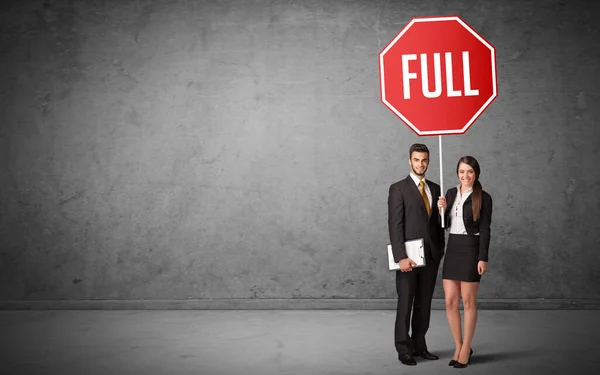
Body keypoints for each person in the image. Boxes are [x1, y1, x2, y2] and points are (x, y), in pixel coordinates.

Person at [387, 143, 445, 366]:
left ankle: (420, 346)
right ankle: (404, 348)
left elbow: (441, 225)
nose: (421, 164)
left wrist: (443, 211)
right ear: (409, 161)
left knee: (424, 303)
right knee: (406, 302)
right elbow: (395, 225)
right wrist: (400, 256)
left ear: (429, 161)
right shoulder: (398, 189)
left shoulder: (436, 189)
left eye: (424, 160)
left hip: (430, 256)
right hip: (408, 258)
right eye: (417, 160)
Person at [437, 156, 493, 369]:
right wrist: (441, 209)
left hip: (471, 249)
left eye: (470, 171)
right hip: (453, 248)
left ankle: (466, 347)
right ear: (457, 173)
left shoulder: (483, 197)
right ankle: (459, 346)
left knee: (468, 302)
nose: (465, 176)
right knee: (450, 301)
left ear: (476, 173)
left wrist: (483, 257)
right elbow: (444, 226)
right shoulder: (451, 193)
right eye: (462, 171)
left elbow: (486, 228)